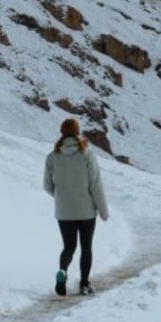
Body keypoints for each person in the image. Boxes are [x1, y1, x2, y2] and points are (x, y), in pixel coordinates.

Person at [43, 117, 109, 296]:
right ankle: (84, 284)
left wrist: (62, 197)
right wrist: (103, 211)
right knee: (86, 247)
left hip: (64, 212)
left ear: (62, 133)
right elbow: (95, 184)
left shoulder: (52, 156)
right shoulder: (87, 154)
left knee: (69, 247)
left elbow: (47, 185)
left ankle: (63, 271)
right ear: (77, 132)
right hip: (86, 211)